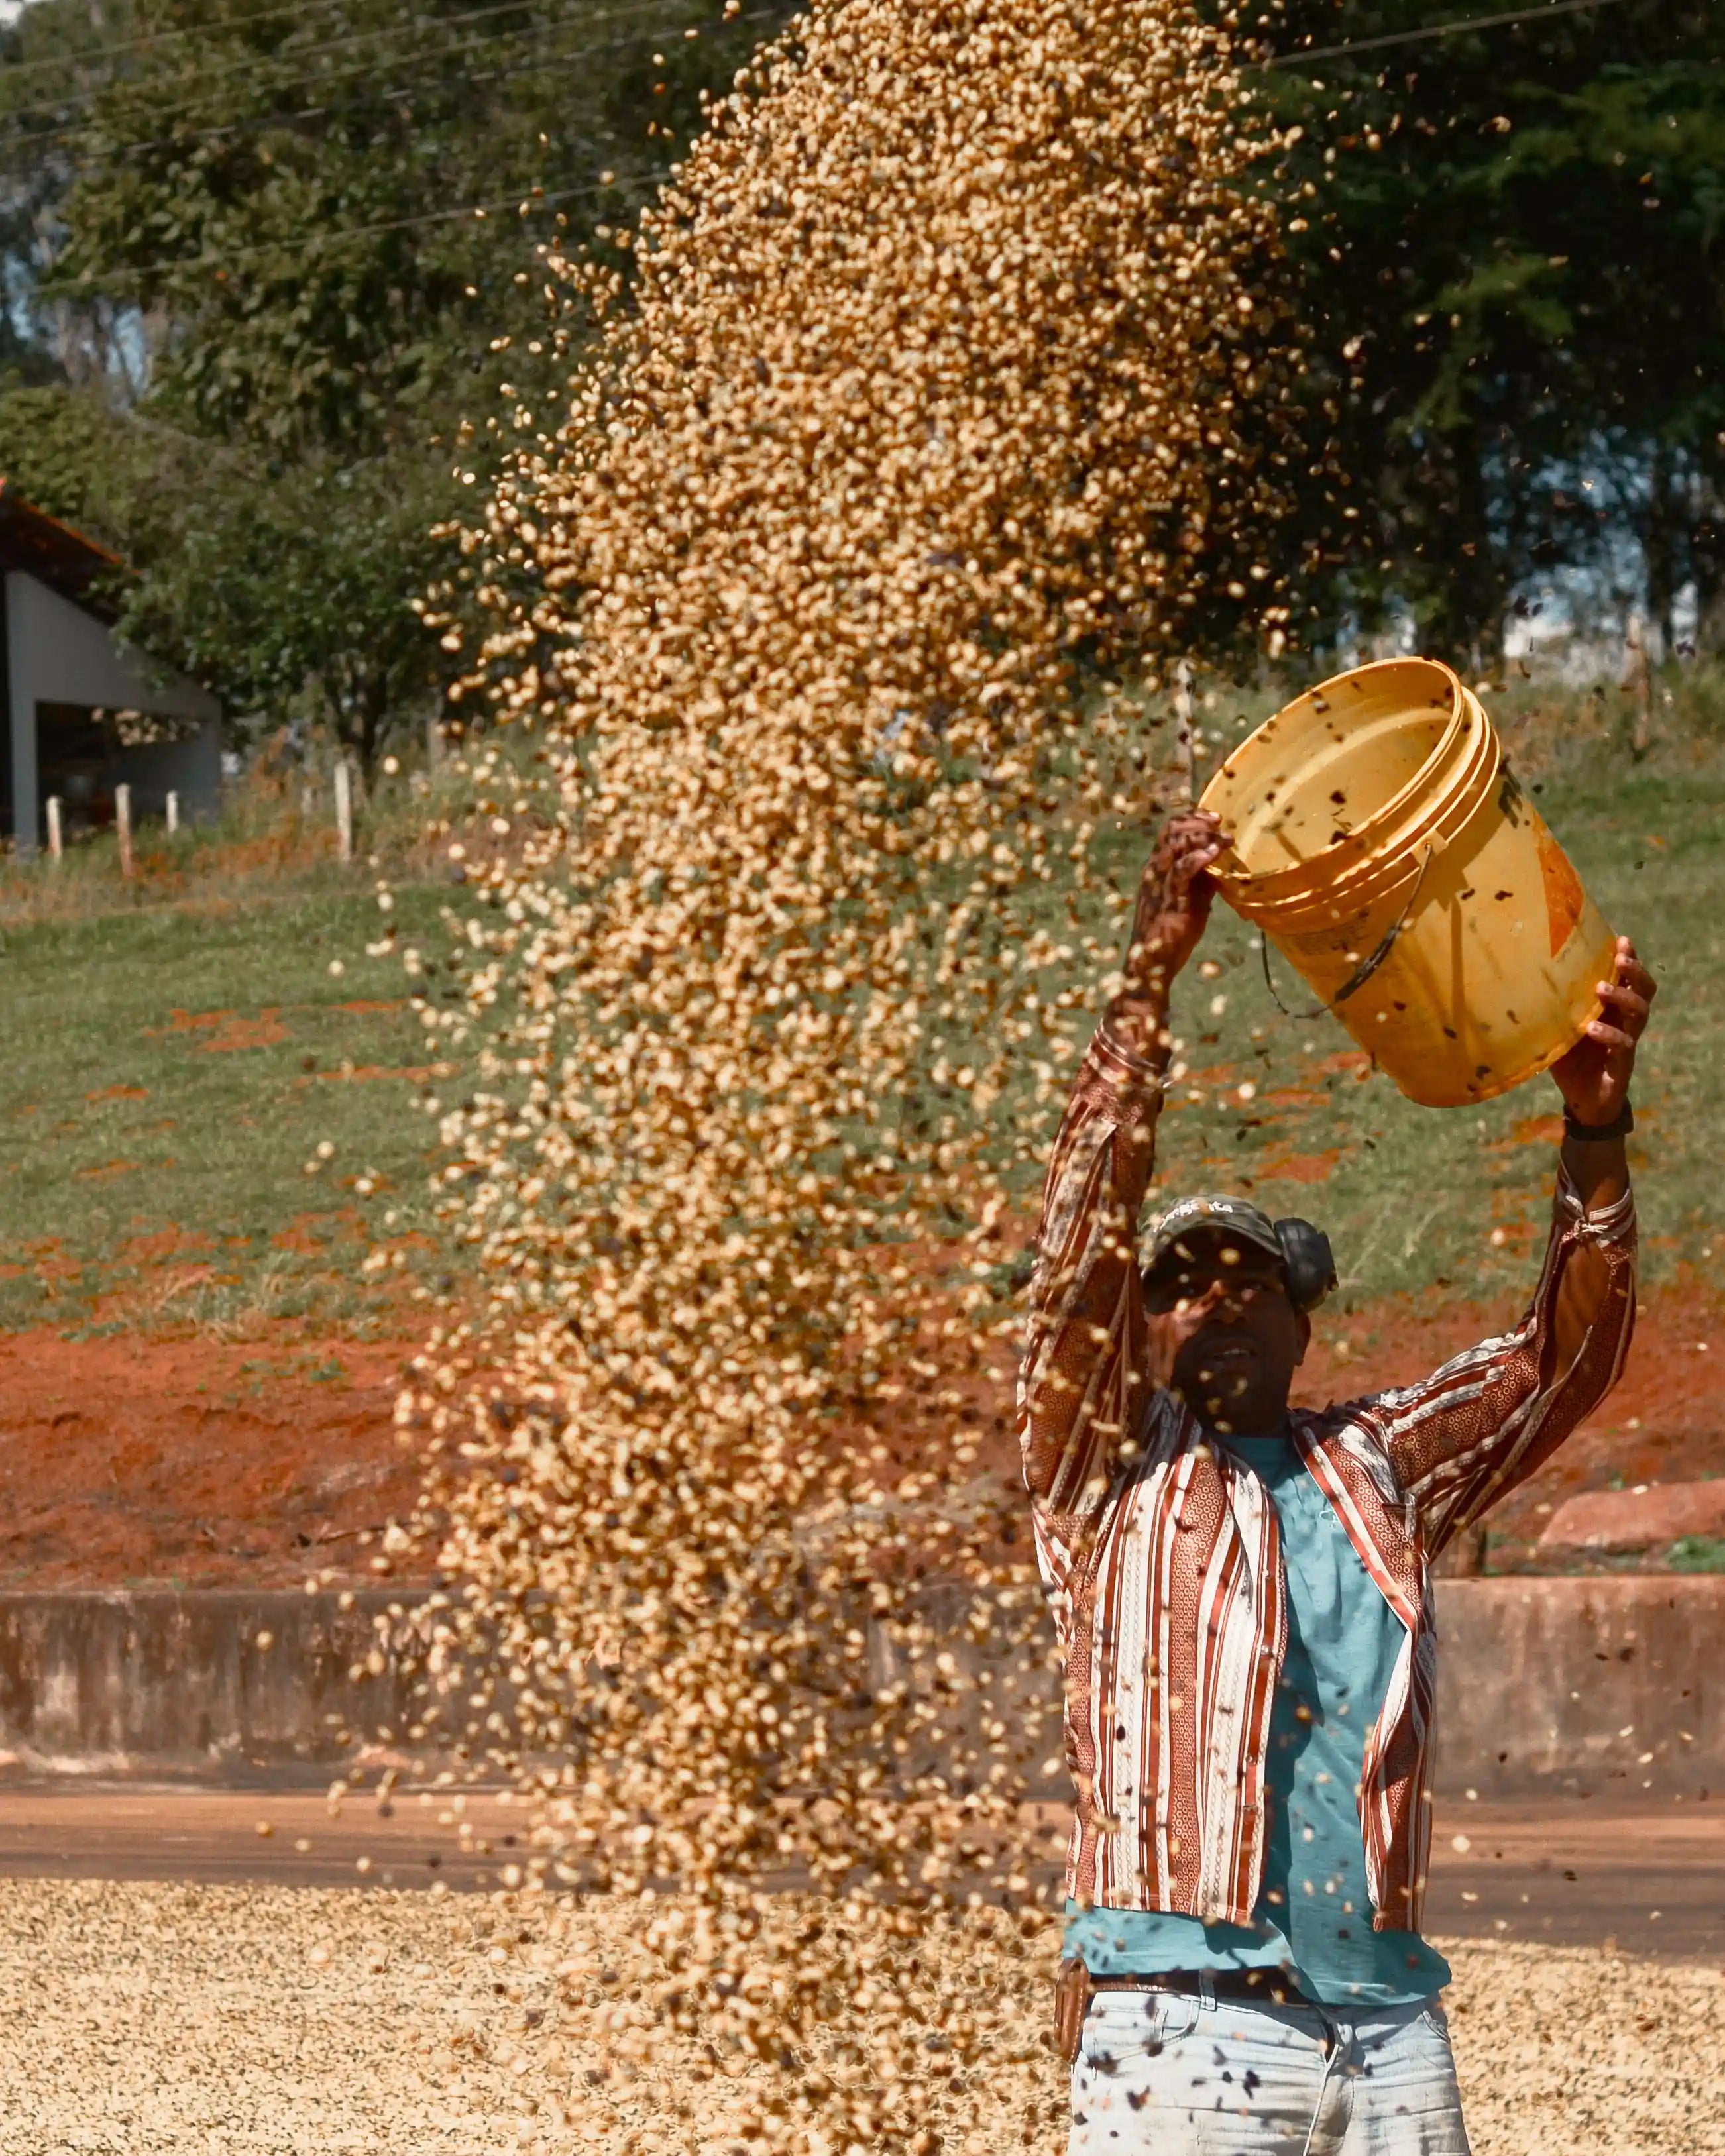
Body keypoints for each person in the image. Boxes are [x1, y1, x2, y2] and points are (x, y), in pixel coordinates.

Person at [1019, 808, 1654, 2155]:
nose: (1219, 1302)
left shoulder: (1372, 1462)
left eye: (1253, 1282)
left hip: (1387, 2023)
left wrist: (1594, 1130)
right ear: (1141, 1330)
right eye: (1182, 1286)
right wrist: (1147, 984)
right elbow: (1076, 1255)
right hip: (1178, 2016)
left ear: (1305, 1329)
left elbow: (1561, 1361)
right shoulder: (1106, 1464)